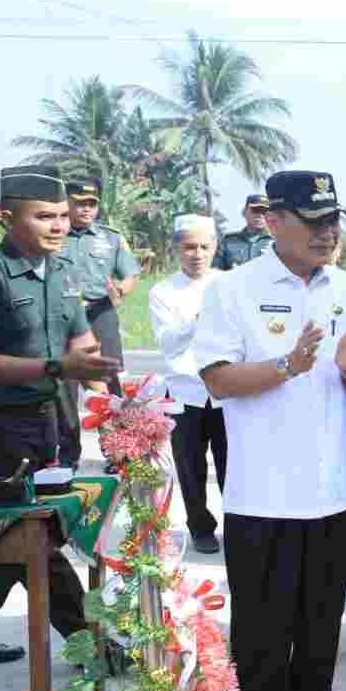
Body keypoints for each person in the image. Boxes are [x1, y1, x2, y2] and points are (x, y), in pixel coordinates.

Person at [195, 170, 346, 691]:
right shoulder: (235, 288)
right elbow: (217, 378)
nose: (328, 232)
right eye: (314, 221)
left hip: (335, 482)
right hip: (265, 488)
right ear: (272, 220)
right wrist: (288, 364)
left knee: (322, 610)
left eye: (334, 220)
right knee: (261, 621)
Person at [0, 167, 120, 666]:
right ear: (8, 216)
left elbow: (83, 345)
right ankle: (92, 647)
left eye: (62, 216)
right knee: (36, 539)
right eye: (44, 216)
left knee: (14, 538)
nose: (58, 226)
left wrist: (116, 403)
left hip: (47, 422)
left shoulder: (63, 274)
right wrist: (58, 365)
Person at [148, 214, 227, 554]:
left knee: (233, 466)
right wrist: (199, 319)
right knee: (190, 469)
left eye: (204, 247)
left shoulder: (230, 283)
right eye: (189, 247)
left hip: (227, 390)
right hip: (185, 392)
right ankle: (201, 528)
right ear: (176, 249)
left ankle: (239, 526)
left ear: (215, 248)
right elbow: (168, 344)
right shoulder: (162, 291)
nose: (197, 254)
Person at [58, 175, 138, 467]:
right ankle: (66, 457)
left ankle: (116, 452)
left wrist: (122, 290)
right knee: (64, 386)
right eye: (80, 204)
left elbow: (130, 274)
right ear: (67, 202)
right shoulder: (54, 233)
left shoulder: (111, 237)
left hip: (100, 313)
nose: (86, 210)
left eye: (92, 204)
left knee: (107, 383)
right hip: (63, 317)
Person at [211, 194, 274, 270]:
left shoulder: (276, 242)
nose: (260, 215)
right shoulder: (228, 242)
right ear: (244, 212)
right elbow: (215, 272)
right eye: (256, 210)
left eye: (264, 212)